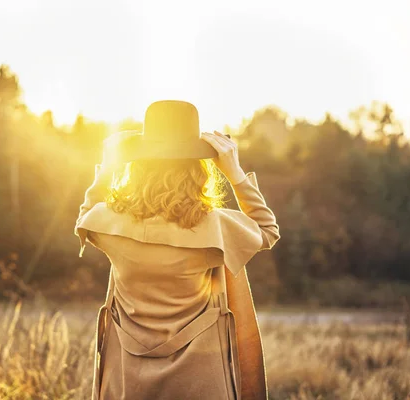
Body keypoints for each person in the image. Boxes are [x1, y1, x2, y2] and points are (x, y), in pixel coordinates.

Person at [74, 100, 280, 400]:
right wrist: (235, 174)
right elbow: (268, 229)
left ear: (139, 166)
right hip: (200, 382)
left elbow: (84, 216)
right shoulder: (215, 227)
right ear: (199, 170)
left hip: (127, 380)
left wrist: (107, 168)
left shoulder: (109, 224)